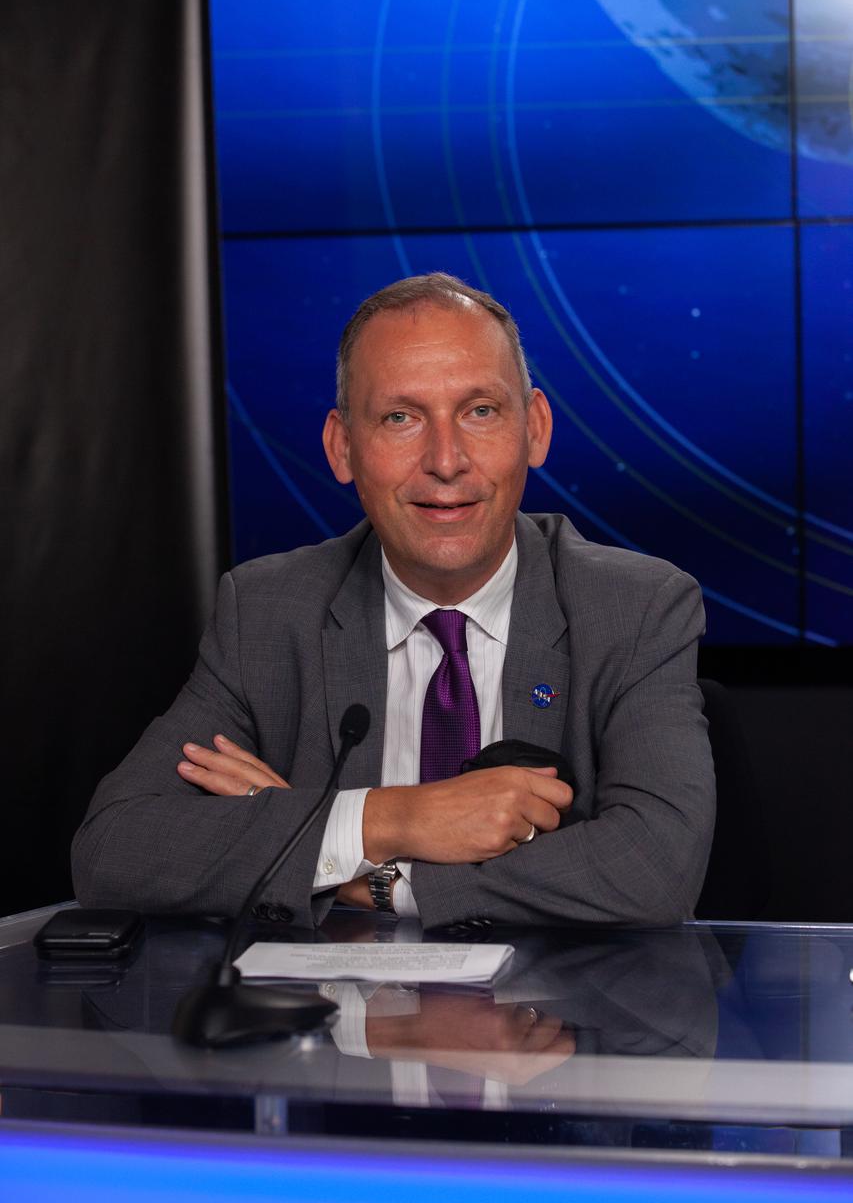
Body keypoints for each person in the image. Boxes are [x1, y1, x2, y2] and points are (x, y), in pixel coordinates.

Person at [72, 273, 715, 929]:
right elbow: (113, 851)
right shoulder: (266, 612)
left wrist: (366, 878)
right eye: (401, 417)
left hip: (561, 1020)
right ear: (342, 447)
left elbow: (653, 867)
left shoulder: (635, 608)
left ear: (536, 430)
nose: (444, 460)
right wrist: (391, 818)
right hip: (329, 1024)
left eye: (480, 411)